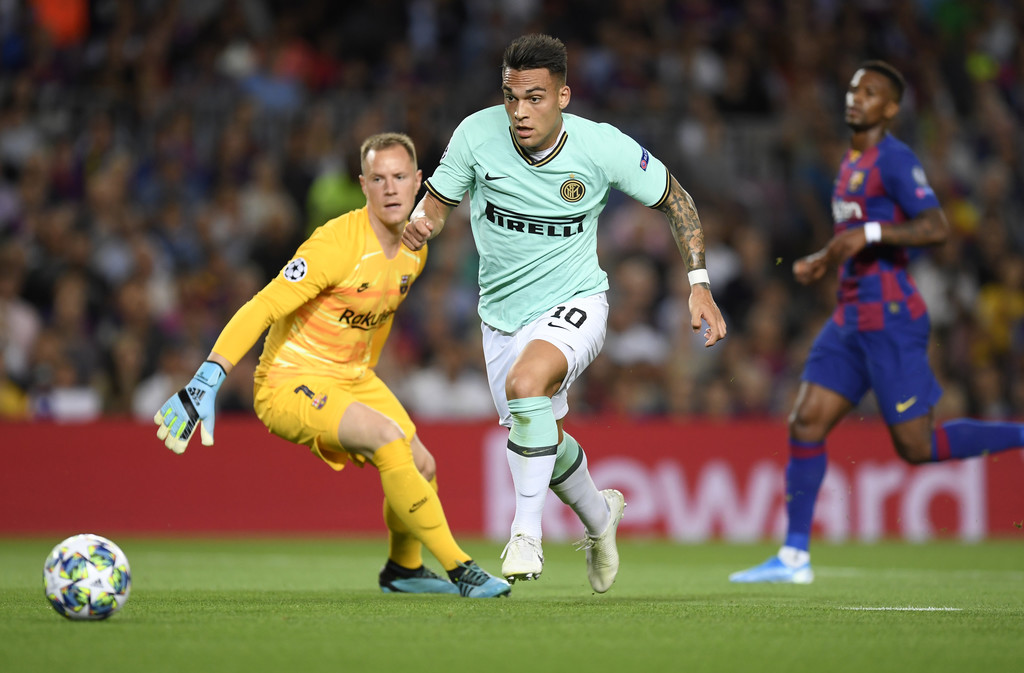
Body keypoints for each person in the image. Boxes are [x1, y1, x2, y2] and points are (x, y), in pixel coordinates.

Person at [402, 34, 727, 592]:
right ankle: (600, 519)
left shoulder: (601, 147)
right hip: (500, 315)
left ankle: (524, 534)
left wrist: (699, 285)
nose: (520, 112)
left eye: (535, 98)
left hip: (576, 300)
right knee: (539, 436)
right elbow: (435, 205)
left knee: (529, 385)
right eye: (511, 97)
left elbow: (676, 199)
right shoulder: (474, 136)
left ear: (564, 96)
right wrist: (419, 223)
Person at [154, 132, 510, 599]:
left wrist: (363, 370)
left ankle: (403, 570)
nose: (389, 188)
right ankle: (462, 568)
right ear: (362, 185)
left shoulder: (416, 248)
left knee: (422, 466)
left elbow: (374, 318)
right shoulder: (334, 245)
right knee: (388, 440)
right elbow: (263, 306)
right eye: (378, 179)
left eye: (400, 177)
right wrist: (209, 376)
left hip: (354, 377)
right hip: (289, 382)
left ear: (419, 182)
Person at [730, 61, 1024, 584]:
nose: (855, 98)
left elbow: (935, 228)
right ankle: (794, 556)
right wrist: (824, 256)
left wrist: (865, 237)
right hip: (848, 318)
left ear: (890, 108)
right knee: (805, 422)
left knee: (917, 447)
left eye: (870, 93)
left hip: (890, 318)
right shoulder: (850, 162)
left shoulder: (894, 159)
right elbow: (858, 234)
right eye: (852, 89)